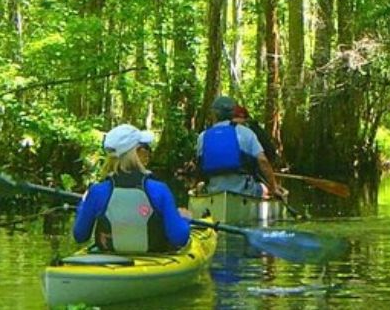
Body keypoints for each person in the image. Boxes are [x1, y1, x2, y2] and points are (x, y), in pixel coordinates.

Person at [73, 124, 191, 253]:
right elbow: (179, 238)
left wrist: (83, 205)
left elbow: (80, 235)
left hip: (108, 261)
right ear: (135, 152)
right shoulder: (159, 190)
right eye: (143, 148)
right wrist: (184, 218)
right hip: (153, 262)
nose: (147, 152)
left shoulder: (97, 192)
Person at [197, 96, 287, 198]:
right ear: (232, 113)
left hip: (213, 191)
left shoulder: (202, 137)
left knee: (200, 187)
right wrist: (273, 187)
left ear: (213, 114)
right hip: (244, 190)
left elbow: (200, 166)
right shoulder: (246, 133)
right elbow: (262, 161)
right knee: (265, 188)